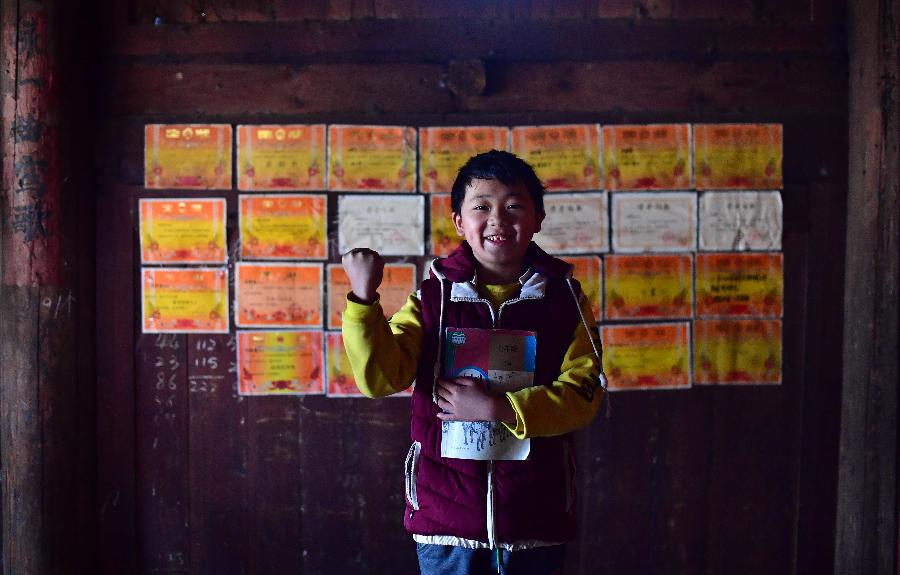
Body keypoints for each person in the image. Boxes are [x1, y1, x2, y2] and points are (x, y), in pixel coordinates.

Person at [341, 150, 607, 575]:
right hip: (446, 523)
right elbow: (380, 379)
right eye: (481, 207)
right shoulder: (432, 299)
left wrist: (499, 409)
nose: (498, 220)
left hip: (534, 515)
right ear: (459, 222)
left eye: (514, 206)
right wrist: (362, 300)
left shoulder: (565, 300)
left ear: (538, 218)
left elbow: (583, 396)